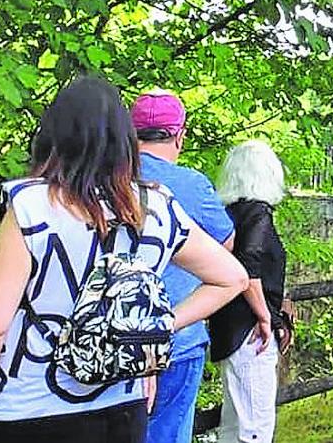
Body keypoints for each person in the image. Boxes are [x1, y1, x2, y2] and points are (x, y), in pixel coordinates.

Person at [0, 76, 247, 443]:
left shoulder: (31, 207)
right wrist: (151, 325)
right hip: (120, 407)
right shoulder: (154, 206)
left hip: (27, 408)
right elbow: (232, 278)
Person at [132, 90, 238, 443]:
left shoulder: (102, 180)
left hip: (112, 341)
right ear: (180, 134)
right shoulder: (192, 185)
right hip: (179, 336)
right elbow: (227, 251)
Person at [208, 141, 293, 443]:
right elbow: (249, 268)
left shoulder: (229, 214)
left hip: (227, 326)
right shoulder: (258, 213)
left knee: (234, 421)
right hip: (251, 331)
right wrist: (267, 316)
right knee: (255, 424)